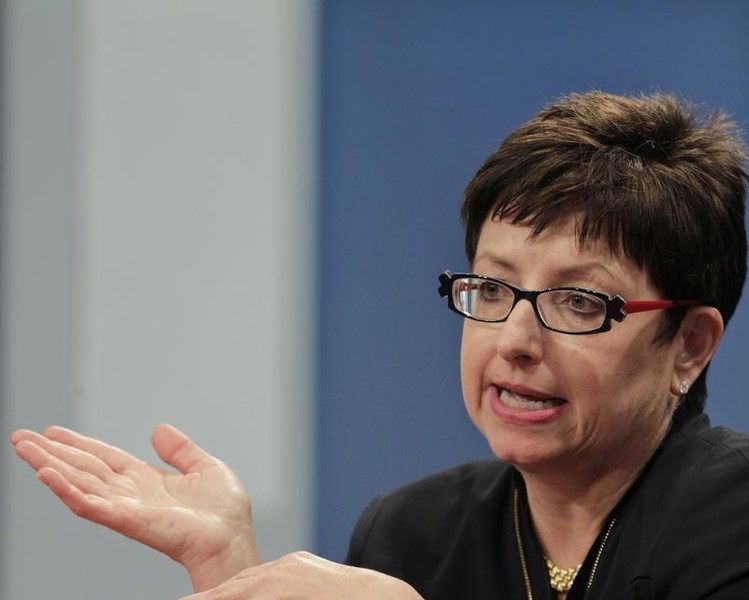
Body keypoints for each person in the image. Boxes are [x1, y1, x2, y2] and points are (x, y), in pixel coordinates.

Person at [12, 90, 749, 599]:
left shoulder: (732, 517)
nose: (516, 340)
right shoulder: (413, 533)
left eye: (576, 301)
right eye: (491, 289)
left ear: (688, 344)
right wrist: (229, 567)